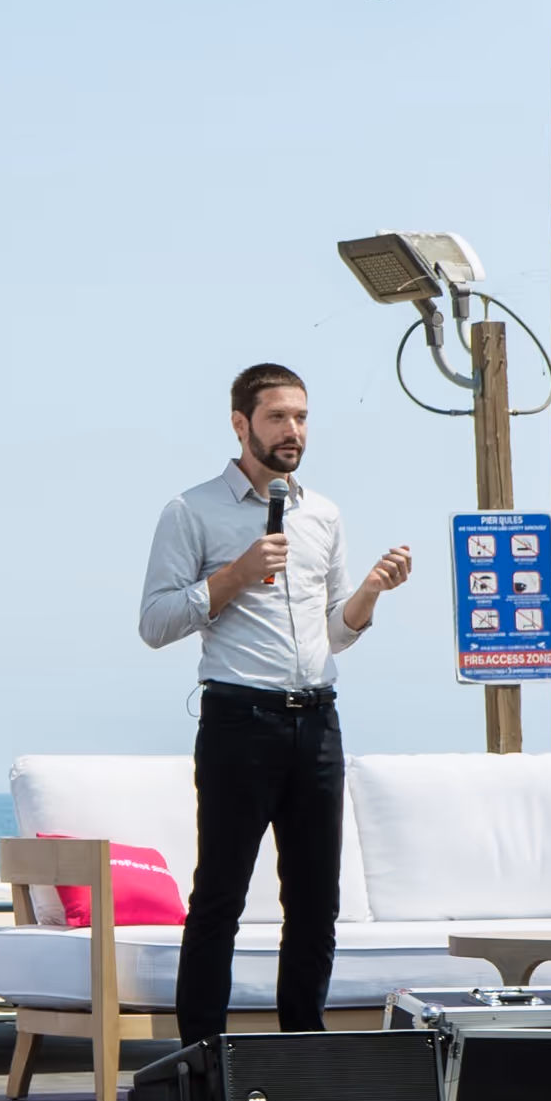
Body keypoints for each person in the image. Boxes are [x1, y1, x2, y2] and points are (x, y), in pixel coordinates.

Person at [135, 363, 413, 1041]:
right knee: (220, 899)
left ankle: (304, 1053)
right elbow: (155, 622)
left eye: (302, 417)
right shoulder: (190, 510)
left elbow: (335, 633)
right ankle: (201, 1060)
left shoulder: (324, 513)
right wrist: (234, 574)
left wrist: (372, 592)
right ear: (241, 424)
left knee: (317, 904)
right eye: (278, 417)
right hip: (239, 724)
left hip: (317, 724)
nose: (293, 431)